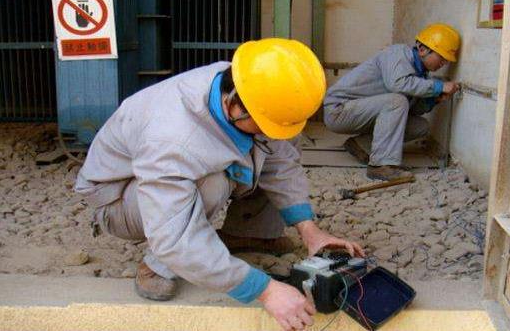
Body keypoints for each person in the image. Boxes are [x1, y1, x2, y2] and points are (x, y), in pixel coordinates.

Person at [75, 38, 364, 331]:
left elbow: (281, 161)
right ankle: (158, 264)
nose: (268, 132)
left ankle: (247, 234)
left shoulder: (250, 85)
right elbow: (173, 236)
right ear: (234, 105)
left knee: (275, 142)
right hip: (118, 200)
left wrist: (310, 230)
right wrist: (265, 290)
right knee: (211, 182)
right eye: (261, 124)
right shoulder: (174, 140)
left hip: (163, 173)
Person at [323, 23, 461, 180]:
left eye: (447, 61)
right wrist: (439, 86)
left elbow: (410, 110)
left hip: (361, 111)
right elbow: (397, 84)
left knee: (421, 126)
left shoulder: (420, 76)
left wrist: (434, 99)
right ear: (422, 50)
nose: (443, 63)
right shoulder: (398, 54)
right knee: (397, 101)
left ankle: (360, 145)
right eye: (441, 57)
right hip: (339, 110)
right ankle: (380, 166)